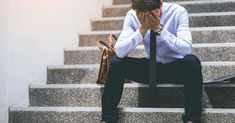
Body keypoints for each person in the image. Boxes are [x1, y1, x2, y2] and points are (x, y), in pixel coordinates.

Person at [100, 0, 203, 123]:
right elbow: (120, 51)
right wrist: (142, 30)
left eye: (151, 12)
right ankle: (108, 119)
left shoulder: (178, 12)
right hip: (150, 69)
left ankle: (192, 119)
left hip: (176, 68)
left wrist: (158, 29)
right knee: (117, 63)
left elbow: (186, 49)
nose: (147, 16)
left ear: (160, 4)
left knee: (192, 62)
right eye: (142, 12)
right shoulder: (132, 15)